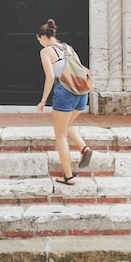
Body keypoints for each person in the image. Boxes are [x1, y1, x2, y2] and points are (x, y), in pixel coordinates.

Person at [36, 19, 92, 185]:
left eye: (39, 40)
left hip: (65, 93)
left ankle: (68, 177)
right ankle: (84, 148)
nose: (39, 43)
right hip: (82, 93)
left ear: (43, 37)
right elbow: (80, 69)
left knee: (60, 135)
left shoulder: (46, 51)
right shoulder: (69, 48)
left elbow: (51, 76)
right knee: (66, 126)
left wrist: (43, 100)